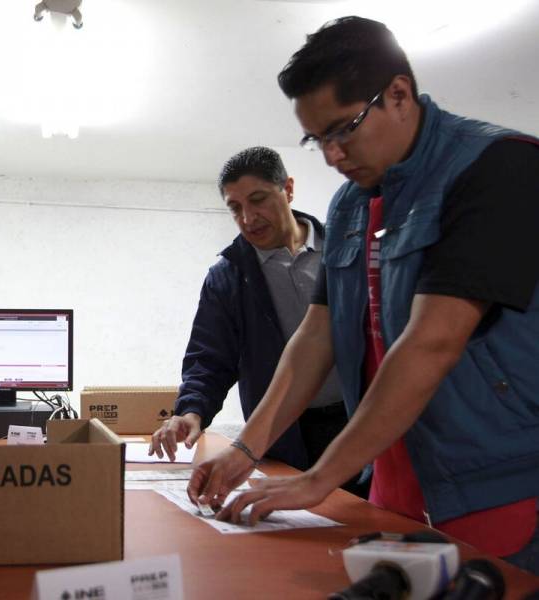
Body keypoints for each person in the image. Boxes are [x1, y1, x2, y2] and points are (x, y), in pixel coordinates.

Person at [187, 16, 539, 573]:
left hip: (494, 482)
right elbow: (317, 334)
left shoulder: (499, 167)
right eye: (316, 137)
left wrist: (320, 479)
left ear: (398, 94)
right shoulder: (351, 206)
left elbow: (432, 342)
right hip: (392, 481)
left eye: (342, 129)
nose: (331, 155)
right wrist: (246, 448)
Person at [148, 148, 366, 495]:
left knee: (362, 525)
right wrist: (191, 411)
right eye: (235, 208)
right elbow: (209, 358)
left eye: (258, 200)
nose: (248, 218)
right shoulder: (228, 276)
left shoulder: (347, 251)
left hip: (359, 423)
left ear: (288, 189)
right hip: (283, 434)